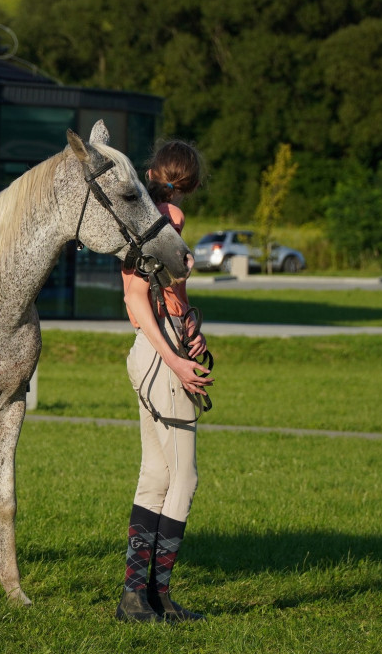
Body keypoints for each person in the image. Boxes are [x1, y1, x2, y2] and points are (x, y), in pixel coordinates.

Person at [116, 139, 212, 623]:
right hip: (160, 355)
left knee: (156, 477)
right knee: (185, 478)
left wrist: (191, 326)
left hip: (150, 350)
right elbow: (136, 299)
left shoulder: (142, 217)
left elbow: (160, 296)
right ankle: (159, 596)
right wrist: (176, 359)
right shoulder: (167, 218)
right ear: (190, 184)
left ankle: (136, 599)